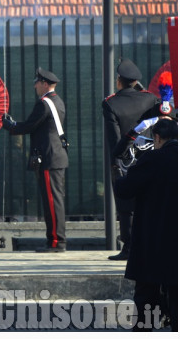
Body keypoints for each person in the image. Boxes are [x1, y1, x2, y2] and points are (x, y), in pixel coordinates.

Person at [115, 119, 177, 331]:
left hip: (153, 239)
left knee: (146, 295)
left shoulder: (153, 159)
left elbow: (125, 189)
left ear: (157, 138)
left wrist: (123, 172)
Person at [2, 67, 68, 252]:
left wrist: (10, 126)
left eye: (37, 83)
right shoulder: (57, 101)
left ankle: (56, 242)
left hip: (49, 157)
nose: (35, 86)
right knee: (54, 201)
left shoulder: (44, 103)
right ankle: (54, 240)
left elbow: (30, 126)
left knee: (52, 202)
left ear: (45, 84)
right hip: (55, 156)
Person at [102, 59, 159, 260]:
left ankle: (129, 248)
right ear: (136, 81)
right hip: (148, 156)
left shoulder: (110, 103)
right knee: (148, 202)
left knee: (125, 206)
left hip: (124, 158)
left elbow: (114, 139)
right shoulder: (150, 99)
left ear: (119, 80)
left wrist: (116, 158)